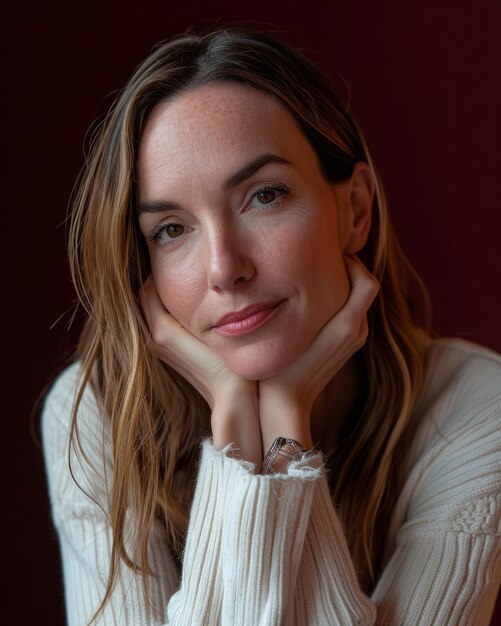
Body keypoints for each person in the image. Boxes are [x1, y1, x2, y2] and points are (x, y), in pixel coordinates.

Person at [42, 28, 501, 625]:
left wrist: (284, 427)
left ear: (355, 210)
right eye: (171, 230)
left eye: (264, 196)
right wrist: (235, 428)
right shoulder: (97, 415)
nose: (224, 268)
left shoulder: (477, 412)